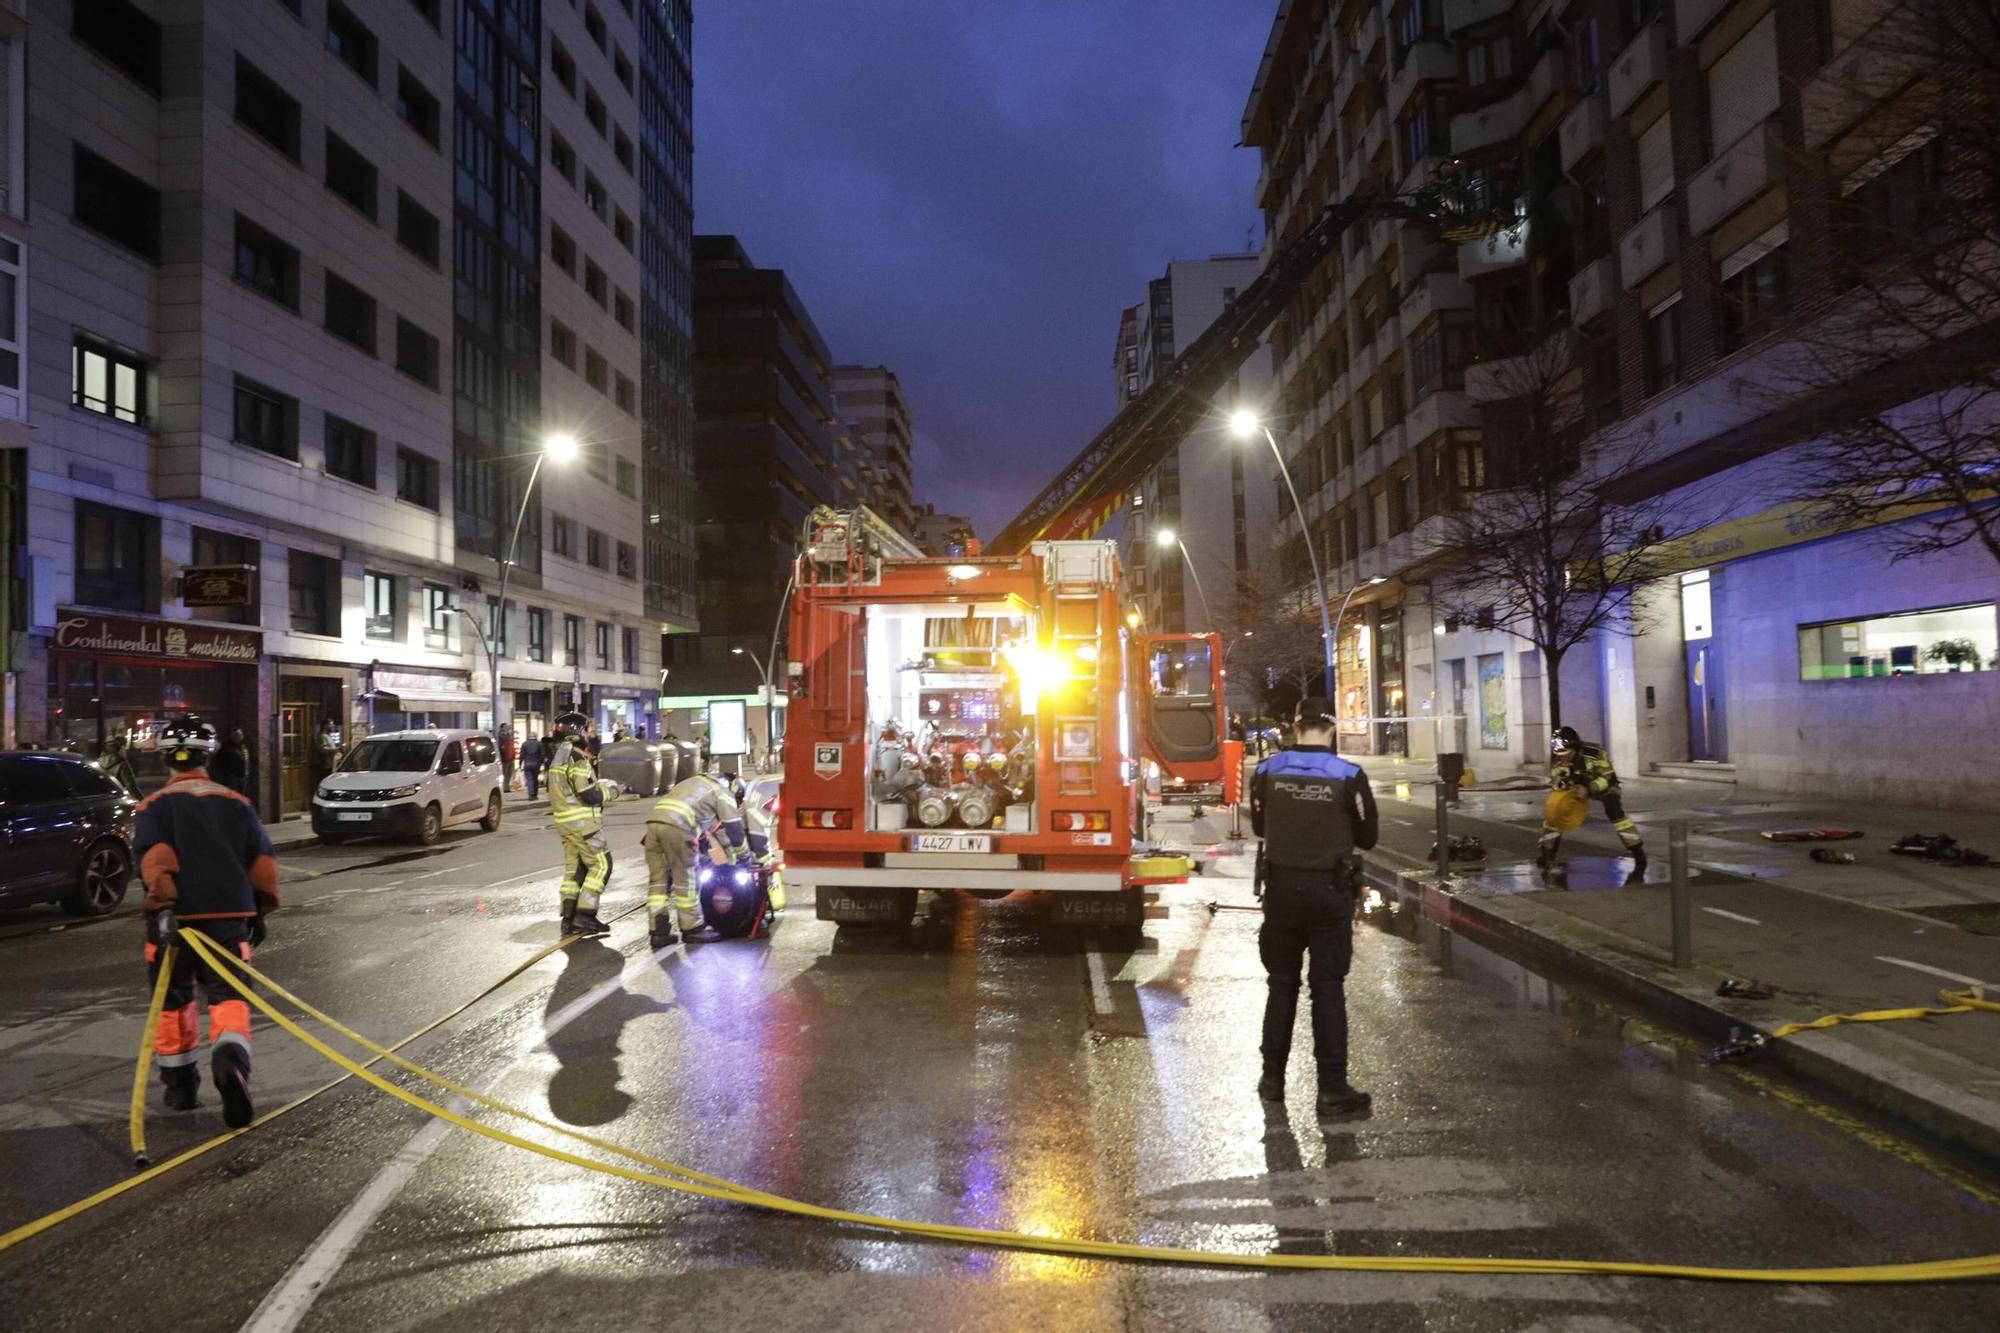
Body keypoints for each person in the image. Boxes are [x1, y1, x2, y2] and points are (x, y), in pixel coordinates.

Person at [132, 719, 280, 1128]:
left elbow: (157, 858)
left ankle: (181, 1088)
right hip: (230, 919)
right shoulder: (237, 803)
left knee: (172, 1002)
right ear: (208, 756)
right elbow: (263, 866)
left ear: (166, 758)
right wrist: (260, 911)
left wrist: (162, 906)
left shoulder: (153, 806)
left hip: (174, 922)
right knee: (228, 996)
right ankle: (230, 1060)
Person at [1250, 697, 1378, 1118]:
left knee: (1281, 984)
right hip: (1329, 894)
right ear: (1333, 727)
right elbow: (1369, 837)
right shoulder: (1349, 776)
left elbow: (1257, 825)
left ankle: (1272, 1081)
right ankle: (1332, 1089)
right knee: (1327, 988)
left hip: (1282, 892)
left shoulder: (1267, 771)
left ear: (1294, 724)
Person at [642, 772, 752, 948]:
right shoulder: (721, 791)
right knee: (687, 878)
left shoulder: (695, 783)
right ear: (734, 787)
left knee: (658, 881)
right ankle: (692, 928)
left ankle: (658, 931)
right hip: (679, 827)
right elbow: (734, 830)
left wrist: (730, 855)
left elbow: (719, 830)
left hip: (653, 826)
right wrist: (744, 857)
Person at [1538, 726, 1646, 884]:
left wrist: (1588, 789)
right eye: (1559, 755)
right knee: (1555, 812)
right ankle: (1547, 854)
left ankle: (1638, 853)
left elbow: (1606, 776)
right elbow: (1556, 781)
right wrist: (1562, 786)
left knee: (1614, 811)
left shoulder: (1593, 752)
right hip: (1575, 789)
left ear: (1575, 748)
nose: (1564, 758)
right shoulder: (1557, 759)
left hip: (1602, 785)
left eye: (1567, 754)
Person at [546, 712, 613, 936]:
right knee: (602, 865)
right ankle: (585, 916)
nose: (588, 734)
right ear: (576, 732)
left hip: (565, 824)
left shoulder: (558, 757)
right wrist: (611, 791)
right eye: (585, 730)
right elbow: (588, 794)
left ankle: (568, 917)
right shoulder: (577, 758)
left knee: (574, 871)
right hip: (583, 824)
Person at [210, 727, 251, 801]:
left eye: (240, 735)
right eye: (237, 735)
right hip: (233, 778)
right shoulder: (226, 747)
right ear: (232, 736)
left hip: (243, 776)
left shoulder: (243, 746)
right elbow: (220, 763)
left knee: (241, 797)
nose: (239, 737)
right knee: (234, 798)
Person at [521, 731, 544, 801]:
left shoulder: (524, 744)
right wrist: (541, 763)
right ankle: (535, 794)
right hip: (536, 764)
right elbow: (542, 754)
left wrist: (520, 763)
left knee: (529, 779)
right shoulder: (539, 744)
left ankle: (531, 794)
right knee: (535, 779)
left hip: (527, 764)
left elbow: (522, 755)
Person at [499, 726, 518, 792]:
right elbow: (502, 747)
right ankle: (504, 787)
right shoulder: (501, 736)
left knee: (509, 773)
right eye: (506, 727)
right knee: (505, 773)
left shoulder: (507, 736)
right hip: (506, 758)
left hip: (510, 757)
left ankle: (507, 787)